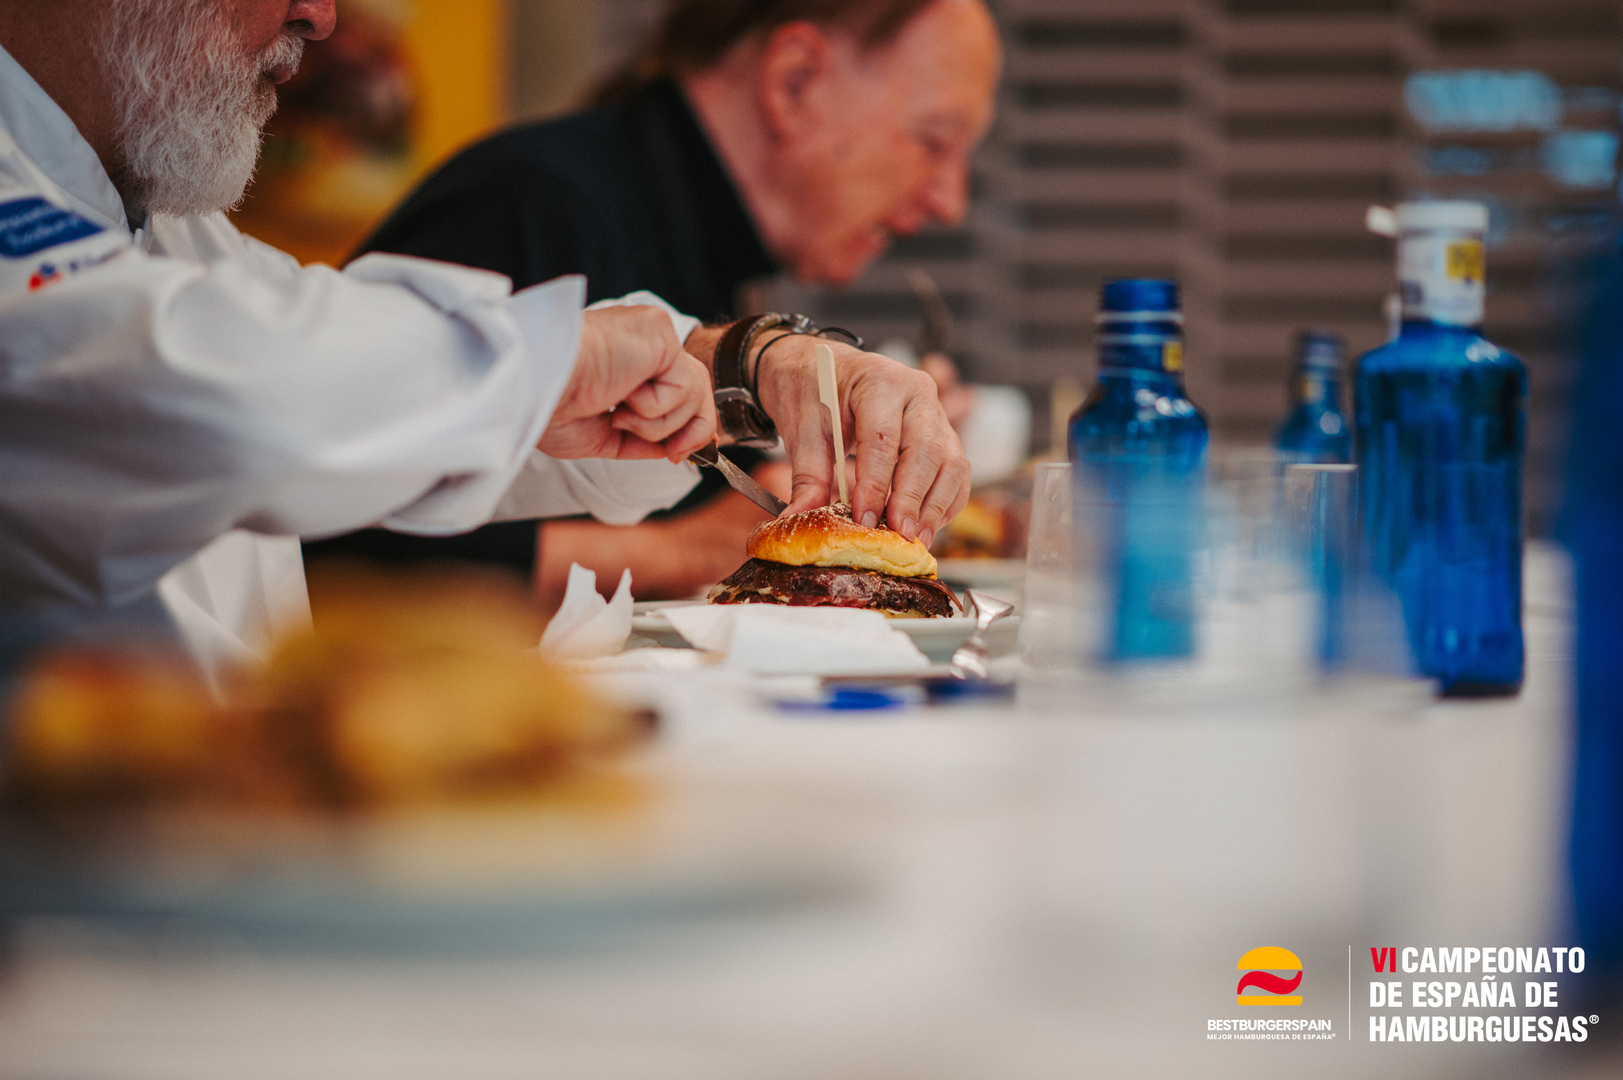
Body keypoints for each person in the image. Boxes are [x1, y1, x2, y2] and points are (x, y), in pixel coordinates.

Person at [0, 0, 970, 680]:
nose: (321, 15)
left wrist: (746, 365)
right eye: (934, 140)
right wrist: (557, 366)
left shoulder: (171, 231)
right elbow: (219, 396)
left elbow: (351, 378)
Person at [305, 0, 998, 604]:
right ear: (793, 80)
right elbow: (332, 540)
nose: (950, 202)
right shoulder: (537, 200)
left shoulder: (695, 239)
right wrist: (685, 550)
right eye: (933, 142)